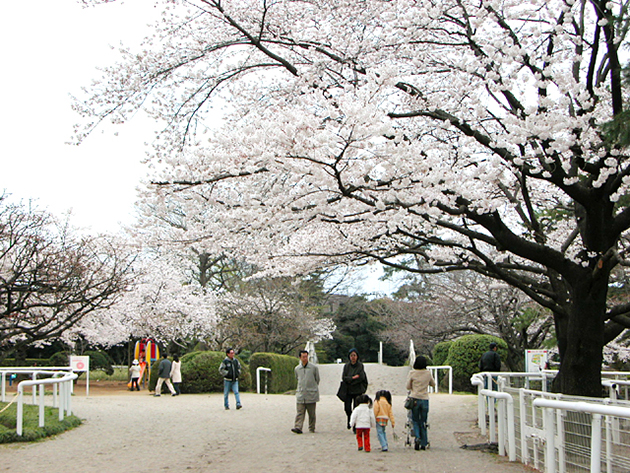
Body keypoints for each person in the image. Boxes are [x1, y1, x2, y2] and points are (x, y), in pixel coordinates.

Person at [406, 355, 436, 451]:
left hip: (414, 398)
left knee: (415, 420)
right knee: (423, 421)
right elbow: (433, 384)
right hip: (424, 399)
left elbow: (408, 386)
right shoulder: (428, 373)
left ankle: (417, 437)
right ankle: (424, 442)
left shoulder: (412, 373)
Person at [291, 349, 320, 434]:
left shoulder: (313, 368)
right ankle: (298, 427)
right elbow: (297, 378)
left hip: (311, 394)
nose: (305, 358)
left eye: (306, 356)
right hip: (301, 394)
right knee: (300, 412)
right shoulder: (297, 369)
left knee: (311, 414)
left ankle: (312, 428)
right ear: (300, 357)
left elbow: (317, 379)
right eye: (303, 357)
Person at [341, 348, 368, 429]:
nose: (353, 357)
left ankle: (355, 425)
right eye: (351, 355)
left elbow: (361, 377)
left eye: (354, 355)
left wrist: (351, 380)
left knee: (356, 408)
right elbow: (344, 378)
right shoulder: (346, 366)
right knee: (347, 408)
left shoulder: (360, 366)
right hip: (348, 390)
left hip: (357, 390)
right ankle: (350, 419)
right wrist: (353, 378)